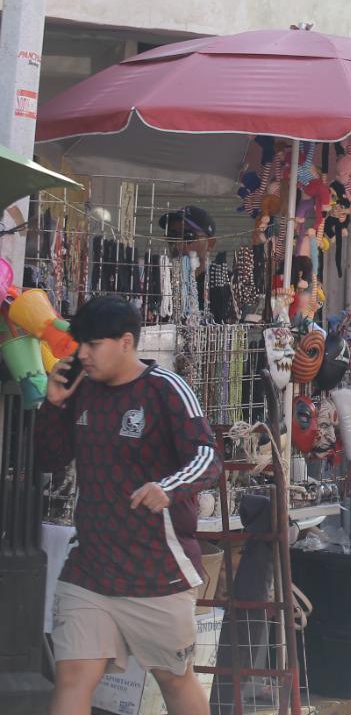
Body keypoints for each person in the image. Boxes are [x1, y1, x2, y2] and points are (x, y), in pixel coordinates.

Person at [35, 295, 221, 715]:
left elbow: (209, 457)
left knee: (174, 680)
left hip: (157, 573)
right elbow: (48, 459)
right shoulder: (79, 387)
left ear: (125, 342)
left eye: (92, 344)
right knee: (72, 676)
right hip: (90, 569)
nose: (82, 353)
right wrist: (54, 404)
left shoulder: (167, 390)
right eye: (78, 343)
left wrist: (168, 487)